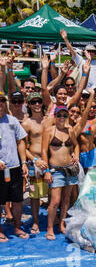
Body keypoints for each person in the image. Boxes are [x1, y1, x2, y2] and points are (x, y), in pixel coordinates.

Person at [41, 106, 80, 240]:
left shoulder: (70, 130)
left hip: (70, 169)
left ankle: (62, 225)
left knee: (66, 199)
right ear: (55, 116)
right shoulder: (49, 131)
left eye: (64, 115)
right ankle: (50, 228)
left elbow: (76, 145)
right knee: (55, 201)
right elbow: (44, 151)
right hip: (55, 170)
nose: (62, 117)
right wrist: (46, 171)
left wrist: (76, 155)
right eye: (59, 115)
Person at [21, 92, 53, 234]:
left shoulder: (50, 120)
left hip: (51, 161)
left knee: (54, 192)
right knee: (35, 195)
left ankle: (54, 220)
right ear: (28, 104)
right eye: (33, 102)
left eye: (39, 101)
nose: (37, 105)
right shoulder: (26, 123)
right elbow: (22, 146)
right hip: (35, 164)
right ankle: (35, 222)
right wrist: (34, 160)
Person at [0, 91, 29, 241]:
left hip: (15, 167)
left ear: (5, 103)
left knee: (18, 199)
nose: (0, 104)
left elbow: (21, 141)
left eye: (1, 101)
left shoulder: (12, 120)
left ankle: (17, 227)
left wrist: (23, 162)